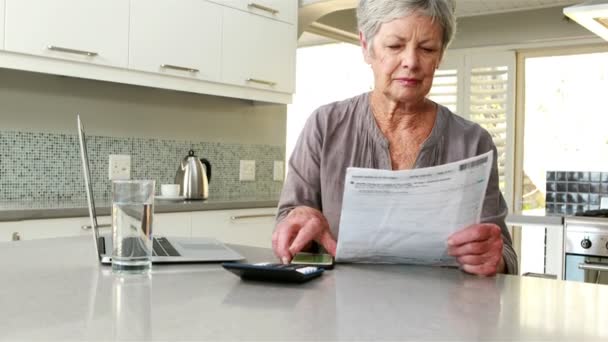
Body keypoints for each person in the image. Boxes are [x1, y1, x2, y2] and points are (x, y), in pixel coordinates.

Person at [273, 0, 518, 276]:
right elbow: (287, 222)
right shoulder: (325, 125)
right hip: (340, 308)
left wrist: (492, 258)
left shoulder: (473, 142)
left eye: (427, 49)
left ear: (440, 55)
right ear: (366, 47)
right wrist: (298, 219)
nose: (411, 62)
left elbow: (504, 252)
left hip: (441, 312)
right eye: (395, 46)